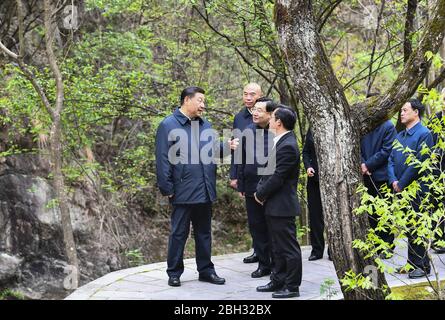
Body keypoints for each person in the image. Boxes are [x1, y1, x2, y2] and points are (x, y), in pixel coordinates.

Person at [155, 86, 238, 287]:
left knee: (204, 233)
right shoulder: (168, 125)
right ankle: (174, 272)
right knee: (179, 233)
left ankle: (206, 271)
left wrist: (227, 146)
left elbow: (212, 150)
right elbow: (163, 159)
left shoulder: (205, 124)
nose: (203, 105)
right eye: (200, 100)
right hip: (182, 190)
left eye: (203, 101)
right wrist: (168, 189)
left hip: (205, 188)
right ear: (186, 100)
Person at [254, 106, 302, 298]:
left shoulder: (288, 145)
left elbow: (277, 177)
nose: (269, 120)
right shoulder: (280, 141)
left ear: (279, 122)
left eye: (272, 117)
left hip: (282, 205)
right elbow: (268, 172)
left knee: (288, 248)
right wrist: (259, 189)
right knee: (277, 247)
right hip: (274, 205)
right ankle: (278, 280)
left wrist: (260, 194)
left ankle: (292, 287)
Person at [388, 99, 434, 279]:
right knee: (409, 227)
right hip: (400, 188)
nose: (401, 113)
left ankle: (421, 266)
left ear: (416, 112)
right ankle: (413, 263)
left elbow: (418, 163)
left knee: (417, 226)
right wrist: (393, 180)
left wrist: (402, 183)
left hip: (417, 189)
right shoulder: (399, 136)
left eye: (405, 110)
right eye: (401, 110)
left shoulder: (424, 134)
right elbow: (391, 160)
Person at [237, 97, 276, 278]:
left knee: (273, 227)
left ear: (270, 114)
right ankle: (263, 264)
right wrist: (241, 185)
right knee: (257, 227)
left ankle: (277, 264)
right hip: (251, 187)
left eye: (260, 110)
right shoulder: (247, 131)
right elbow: (241, 159)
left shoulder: (277, 133)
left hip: (271, 189)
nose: (255, 113)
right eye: (254, 110)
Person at [231, 83, 263, 264]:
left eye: (252, 94)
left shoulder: (269, 113)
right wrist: (234, 175)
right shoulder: (239, 117)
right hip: (247, 172)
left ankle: (268, 253)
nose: (248, 98)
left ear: (260, 95)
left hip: (264, 172)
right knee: (253, 218)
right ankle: (257, 250)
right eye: (245, 94)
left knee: (266, 217)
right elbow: (234, 146)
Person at [360, 120, 397, 258]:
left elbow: (387, 150)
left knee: (384, 211)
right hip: (365, 176)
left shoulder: (388, 126)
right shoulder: (362, 124)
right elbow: (355, 146)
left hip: (382, 175)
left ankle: (387, 245)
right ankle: (376, 244)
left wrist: (368, 165)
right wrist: (362, 164)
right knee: (370, 212)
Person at [302, 128, 328, 261]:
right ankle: (317, 250)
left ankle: (334, 251)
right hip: (314, 180)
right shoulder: (312, 128)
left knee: (334, 217)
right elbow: (305, 152)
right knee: (315, 216)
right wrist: (308, 166)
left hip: (333, 180)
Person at [428, 87, 445, 254]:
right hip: (438, 172)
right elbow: (429, 145)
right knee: (438, 205)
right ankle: (439, 240)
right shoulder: (436, 119)